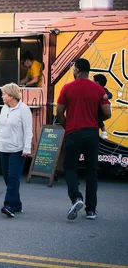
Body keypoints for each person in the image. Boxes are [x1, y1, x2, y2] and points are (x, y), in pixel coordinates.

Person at [56, 58, 111, 220]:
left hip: (73, 132)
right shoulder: (98, 89)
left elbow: (59, 112)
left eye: (73, 68)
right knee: (91, 171)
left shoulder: (67, 88)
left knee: (70, 167)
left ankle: (76, 198)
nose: (72, 71)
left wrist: (68, 126)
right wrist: (94, 119)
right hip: (92, 134)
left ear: (78, 70)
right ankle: (91, 210)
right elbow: (107, 113)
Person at [0, 83, 32, 217]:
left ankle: (8, 205)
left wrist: (27, 148)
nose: (2, 96)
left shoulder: (24, 109)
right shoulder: (4, 108)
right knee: (7, 177)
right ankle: (17, 204)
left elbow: (28, 130)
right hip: (3, 147)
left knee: (13, 177)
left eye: (4, 94)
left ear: (12, 95)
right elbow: (0, 127)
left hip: (17, 149)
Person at [93, 74, 113, 139]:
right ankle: (100, 132)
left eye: (93, 81)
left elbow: (110, 94)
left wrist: (107, 96)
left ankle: (104, 131)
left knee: (97, 116)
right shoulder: (94, 90)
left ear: (97, 83)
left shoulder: (104, 90)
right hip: (98, 109)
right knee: (96, 119)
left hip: (102, 109)